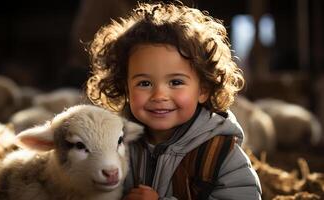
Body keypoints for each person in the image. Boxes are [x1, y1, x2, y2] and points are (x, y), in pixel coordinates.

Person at [86, 2, 262, 199]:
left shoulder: (220, 155)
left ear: (203, 89)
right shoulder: (116, 146)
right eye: (144, 83)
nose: (159, 95)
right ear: (125, 87)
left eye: (176, 82)